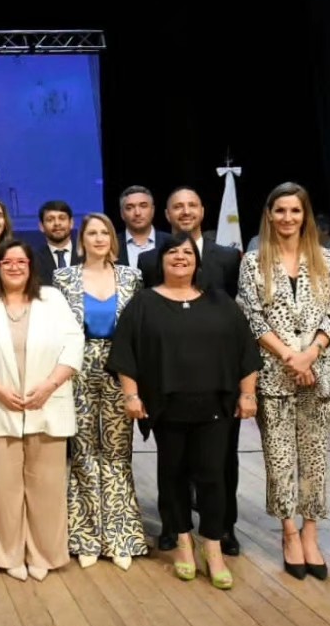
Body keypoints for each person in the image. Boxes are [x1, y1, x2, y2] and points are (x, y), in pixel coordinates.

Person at [110, 233, 260, 591]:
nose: (180, 257)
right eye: (172, 252)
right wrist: (132, 397)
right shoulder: (143, 302)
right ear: (160, 261)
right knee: (173, 474)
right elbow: (125, 353)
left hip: (215, 406)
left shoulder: (220, 301)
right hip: (167, 407)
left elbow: (246, 350)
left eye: (187, 252)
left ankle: (212, 544)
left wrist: (248, 394)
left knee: (213, 475)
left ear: (198, 261)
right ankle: (182, 541)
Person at [236, 183, 330, 581]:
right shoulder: (252, 262)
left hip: (321, 373)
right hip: (274, 376)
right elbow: (251, 316)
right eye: (280, 210)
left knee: (315, 461)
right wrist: (289, 356)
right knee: (280, 460)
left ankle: (311, 532)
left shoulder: (329, 260)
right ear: (269, 215)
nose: (287, 218)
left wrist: (311, 353)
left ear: (305, 215)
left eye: (295, 211)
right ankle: (288, 533)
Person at [0, 241, 83, 581]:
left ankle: (44, 554)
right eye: (7, 261)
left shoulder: (52, 300)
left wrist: (48, 386)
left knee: (46, 486)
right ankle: (7, 553)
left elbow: (74, 343)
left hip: (47, 403)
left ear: (31, 266)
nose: (14, 267)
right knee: (2, 488)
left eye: (21, 261)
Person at [138, 185, 245, 555]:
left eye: (192, 205)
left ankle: (224, 528)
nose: (185, 212)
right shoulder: (150, 259)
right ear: (166, 215)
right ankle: (173, 525)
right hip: (169, 377)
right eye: (177, 207)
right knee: (173, 462)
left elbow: (237, 322)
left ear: (203, 210)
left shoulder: (229, 258)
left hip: (218, 379)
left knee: (221, 460)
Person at [52, 213, 146, 570]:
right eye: (91, 233)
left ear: (112, 238)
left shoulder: (132, 277)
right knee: (84, 452)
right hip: (77, 369)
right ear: (81, 241)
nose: (98, 238)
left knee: (118, 453)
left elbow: (138, 331)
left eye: (104, 232)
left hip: (121, 371)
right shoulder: (64, 278)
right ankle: (86, 535)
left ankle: (122, 534)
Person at [118, 185, 161, 270]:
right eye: (129, 208)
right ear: (122, 214)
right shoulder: (112, 245)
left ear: (152, 210)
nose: (137, 213)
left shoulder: (170, 242)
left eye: (143, 206)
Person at [38, 200, 80, 271]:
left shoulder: (87, 255)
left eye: (62, 218)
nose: (57, 223)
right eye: (50, 220)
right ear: (41, 226)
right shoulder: (34, 259)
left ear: (71, 223)